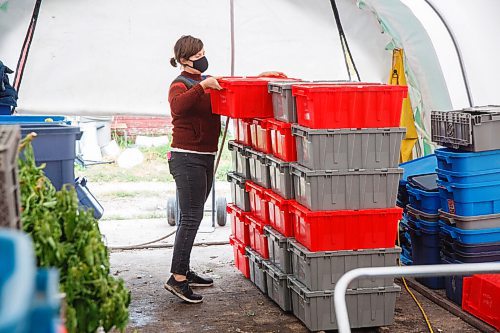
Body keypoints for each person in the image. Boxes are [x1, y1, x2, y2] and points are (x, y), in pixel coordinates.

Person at [164, 35, 285, 304]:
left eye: (204, 52)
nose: (203, 58)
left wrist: (259, 79)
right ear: (184, 60)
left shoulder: (204, 81)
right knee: (191, 217)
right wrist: (202, 87)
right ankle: (177, 278)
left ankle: (183, 269)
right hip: (187, 158)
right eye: (197, 55)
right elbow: (177, 108)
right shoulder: (180, 84)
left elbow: (234, 88)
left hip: (203, 158)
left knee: (191, 215)